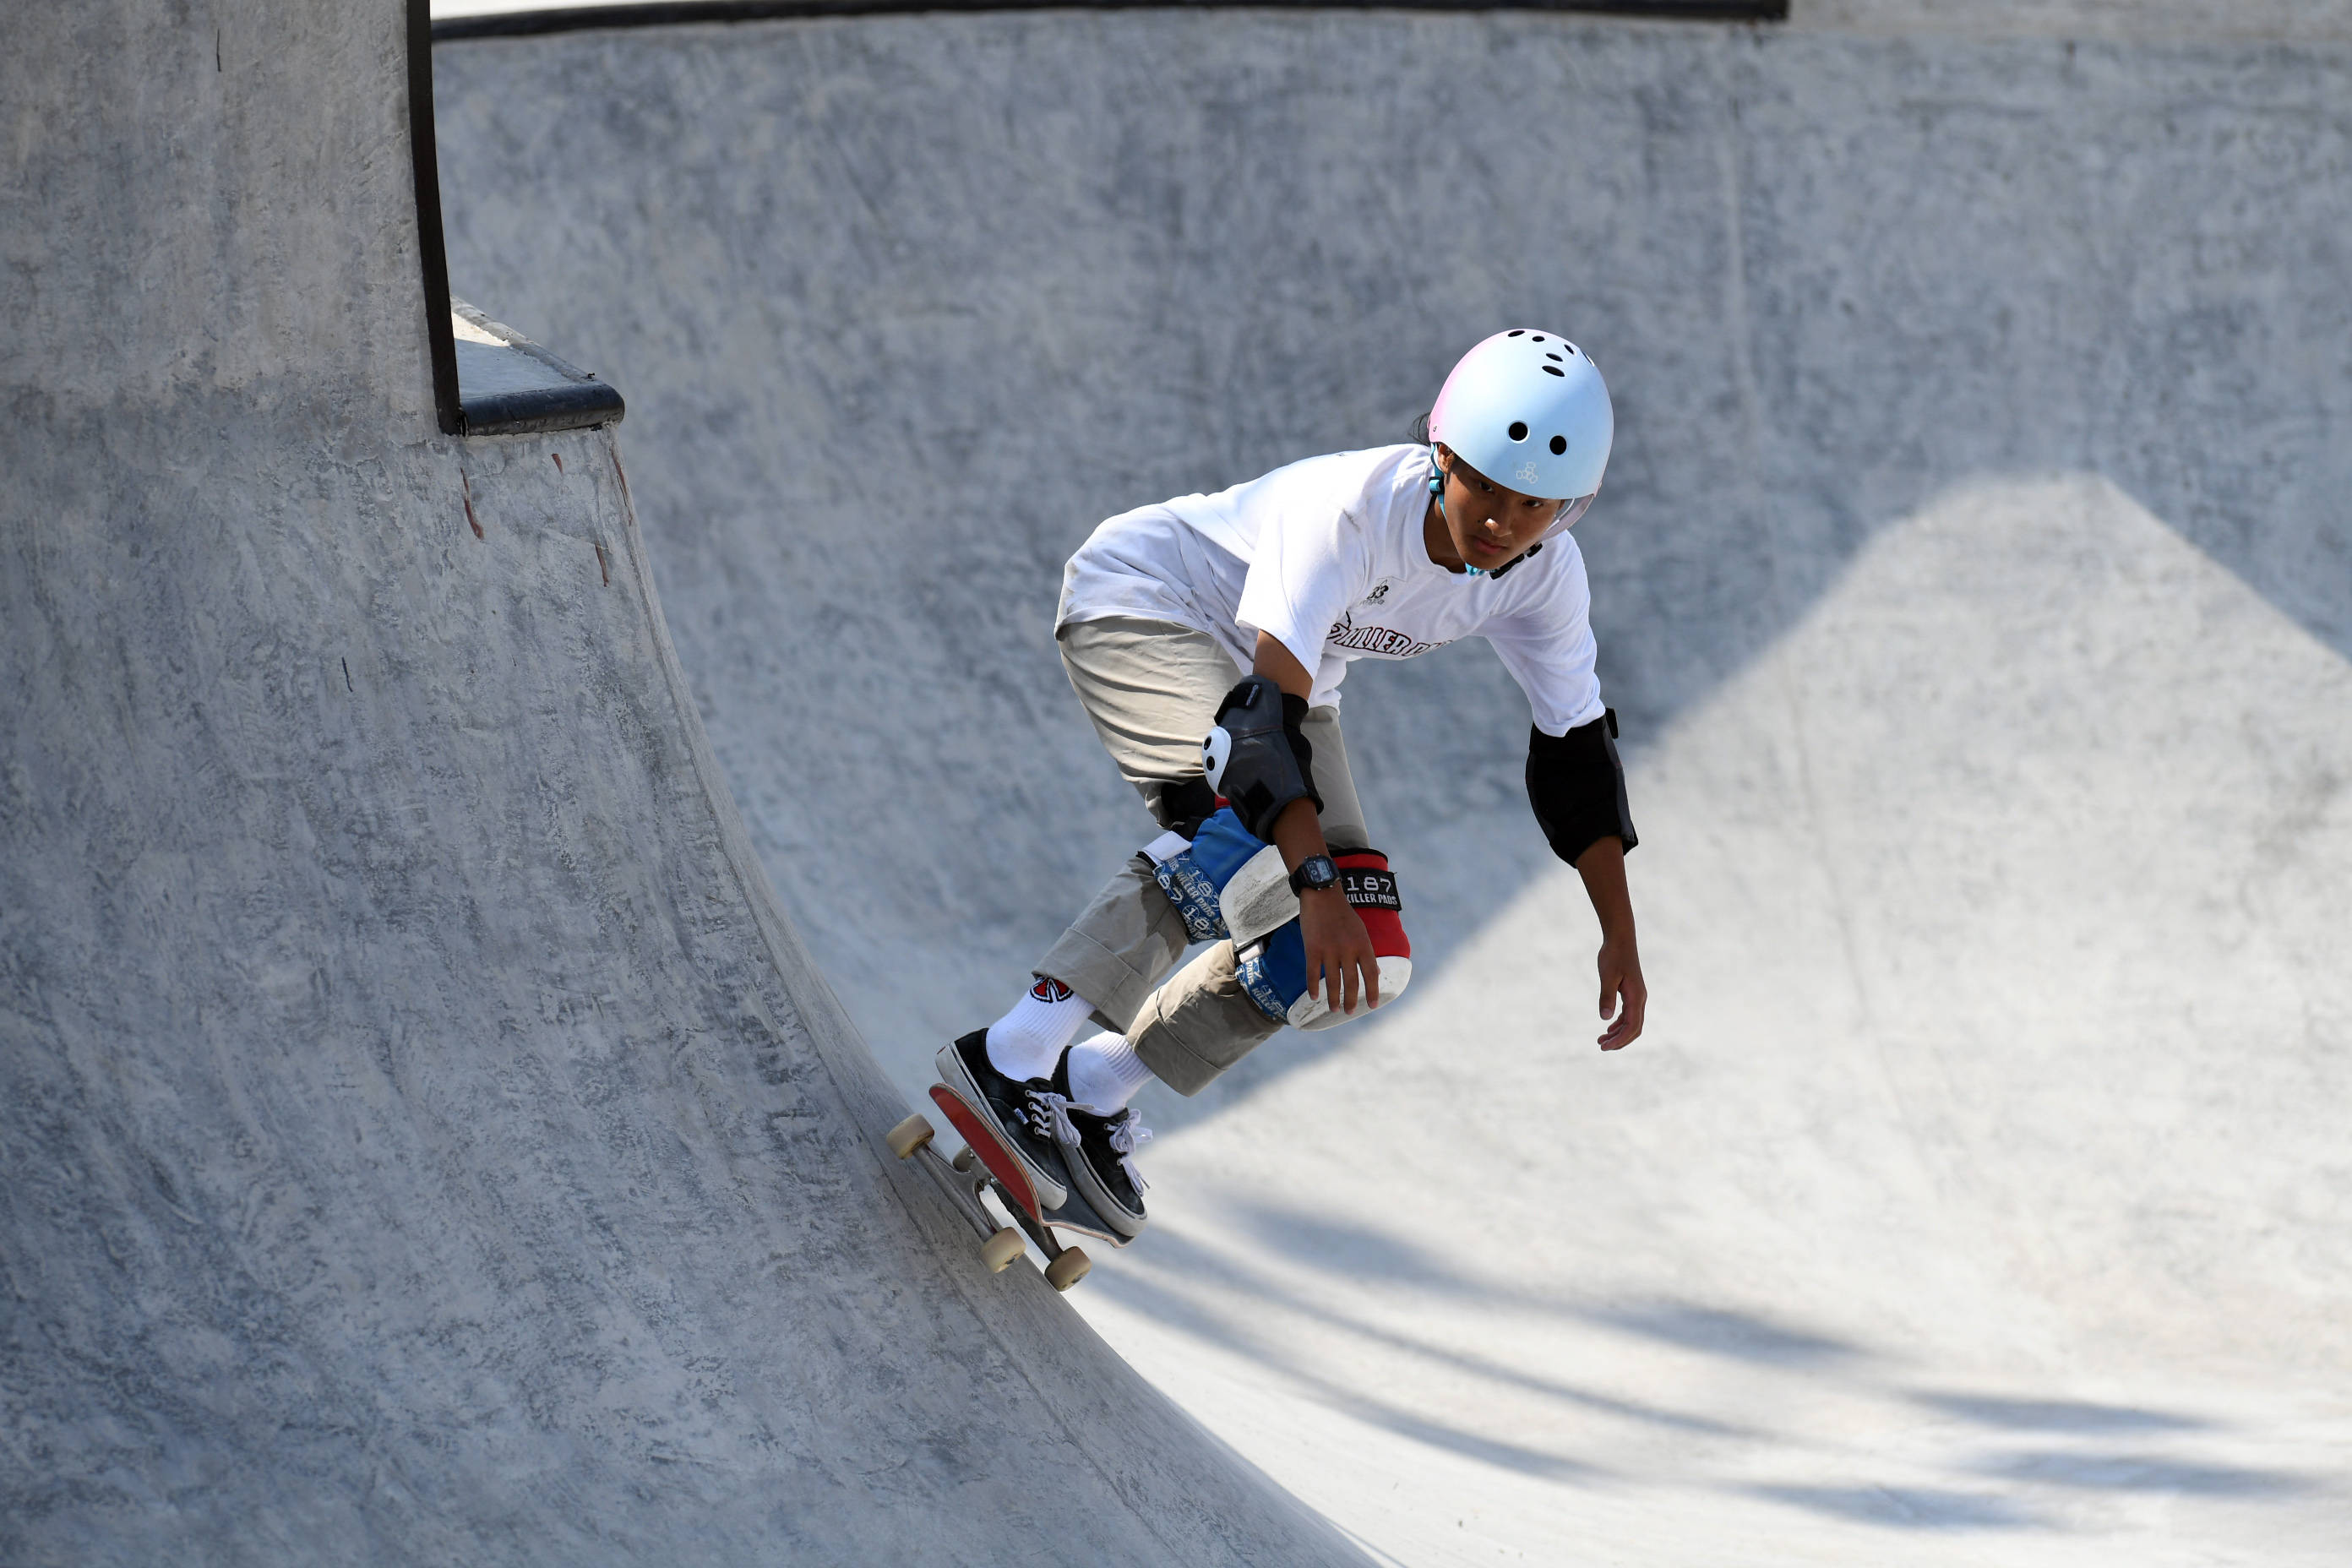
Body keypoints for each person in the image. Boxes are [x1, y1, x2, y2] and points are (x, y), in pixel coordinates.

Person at [938, 329, 1645, 1239]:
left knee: (1366, 952)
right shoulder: (1351, 510)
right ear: (1442, 456)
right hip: (1147, 603)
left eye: (1533, 506)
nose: (1501, 525)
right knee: (1246, 830)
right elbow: (1257, 735)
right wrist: (1312, 882)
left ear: (1571, 507)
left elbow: (1576, 752)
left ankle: (1092, 1086)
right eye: (1484, 487)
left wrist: (1619, 931)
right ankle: (1012, 1050)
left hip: (1282, 686)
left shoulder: (1544, 577)